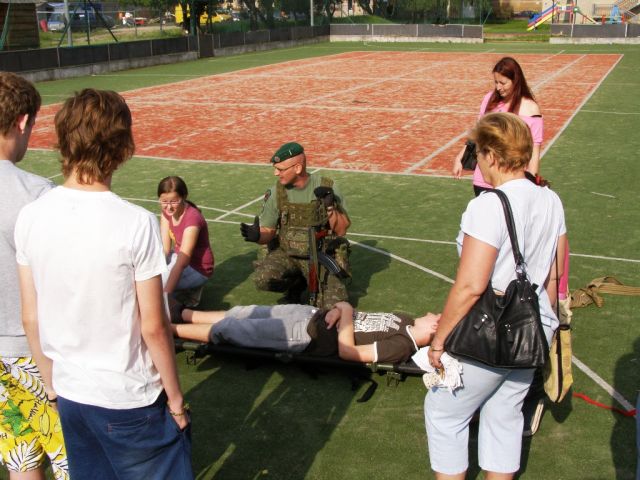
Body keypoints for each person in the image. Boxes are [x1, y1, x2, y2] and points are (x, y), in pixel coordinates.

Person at [15, 89, 193, 479]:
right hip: (129, 398)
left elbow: (31, 317)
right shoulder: (136, 223)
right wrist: (176, 400)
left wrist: (52, 387)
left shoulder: (31, 216)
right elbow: (153, 326)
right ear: (122, 146)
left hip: (71, 394)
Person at [425, 112, 567, 479]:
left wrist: (439, 342)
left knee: (444, 413)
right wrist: (545, 324)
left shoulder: (488, 205)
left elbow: (471, 285)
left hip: (491, 327)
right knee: (504, 417)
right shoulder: (550, 199)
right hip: (534, 326)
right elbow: (555, 273)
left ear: (491, 154)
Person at [0, 72, 69, 480]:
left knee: (21, 458)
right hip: (35, 353)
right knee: (71, 459)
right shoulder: (37, 194)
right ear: (22, 121)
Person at [240, 142, 351, 309]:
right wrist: (257, 236)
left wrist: (329, 207)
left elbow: (341, 230)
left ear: (298, 168)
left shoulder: (328, 187)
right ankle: (296, 283)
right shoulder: (276, 192)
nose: (276, 173)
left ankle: (316, 283)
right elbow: (269, 231)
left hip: (320, 255)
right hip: (288, 254)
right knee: (263, 279)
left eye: (281, 169)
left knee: (333, 307)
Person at [173, 302, 440, 364]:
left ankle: (168, 329)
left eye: (439, 317)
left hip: (305, 335)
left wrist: (345, 310)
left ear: (435, 329)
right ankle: (183, 313)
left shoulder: (402, 345)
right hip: (311, 314)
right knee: (244, 312)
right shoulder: (406, 320)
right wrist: (339, 308)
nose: (434, 313)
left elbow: (349, 352)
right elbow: (356, 317)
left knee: (234, 329)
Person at [453, 56, 543, 196]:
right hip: (483, 181)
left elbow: (534, 151)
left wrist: (532, 183)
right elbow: (478, 135)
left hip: (512, 183)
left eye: (503, 83)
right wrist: (460, 158)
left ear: (515, 80)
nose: (498, 87)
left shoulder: (530, 109)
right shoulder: (489, 99)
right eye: (496, 82)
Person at [158, 176, 214, 304]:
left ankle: (190, 290)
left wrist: (166, 293)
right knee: (150, 276)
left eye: (174, 201)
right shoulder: (166, 213)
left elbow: (182, 262)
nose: (169, 207)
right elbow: (165, 249)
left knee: (156, 286)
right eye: (164, 201)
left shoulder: (192, 218)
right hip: (178, 257)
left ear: (184, 197)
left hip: (198, 269)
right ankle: (184, 291)